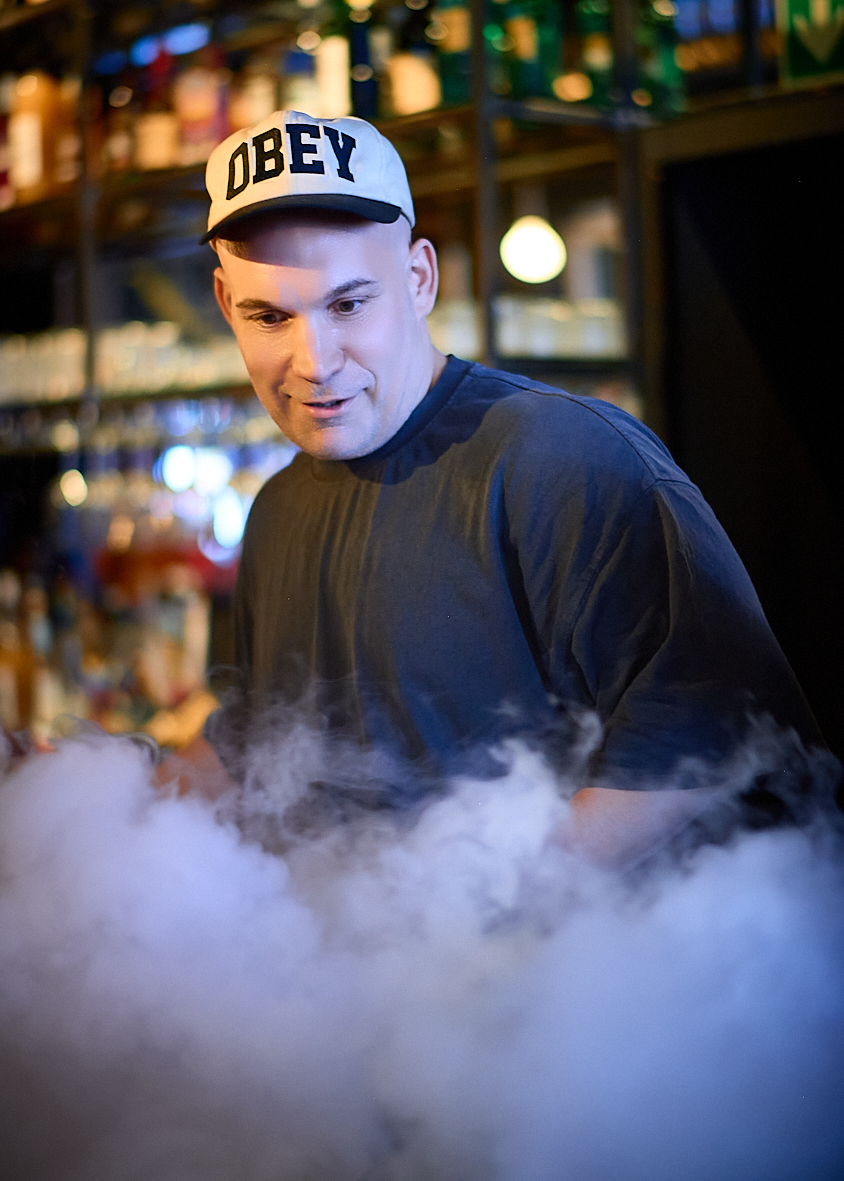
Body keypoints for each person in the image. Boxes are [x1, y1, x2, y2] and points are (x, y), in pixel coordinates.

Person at [152, 109, 828, 863]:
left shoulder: (566, 457)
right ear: (225, 304)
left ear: (419, 279)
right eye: (270, 316)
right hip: (379, 933)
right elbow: (257, 739)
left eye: (348, 304)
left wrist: (499, 914)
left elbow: (717, 724)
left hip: (614, 937)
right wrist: (96, 794)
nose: (315, 361)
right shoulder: (279, 510)